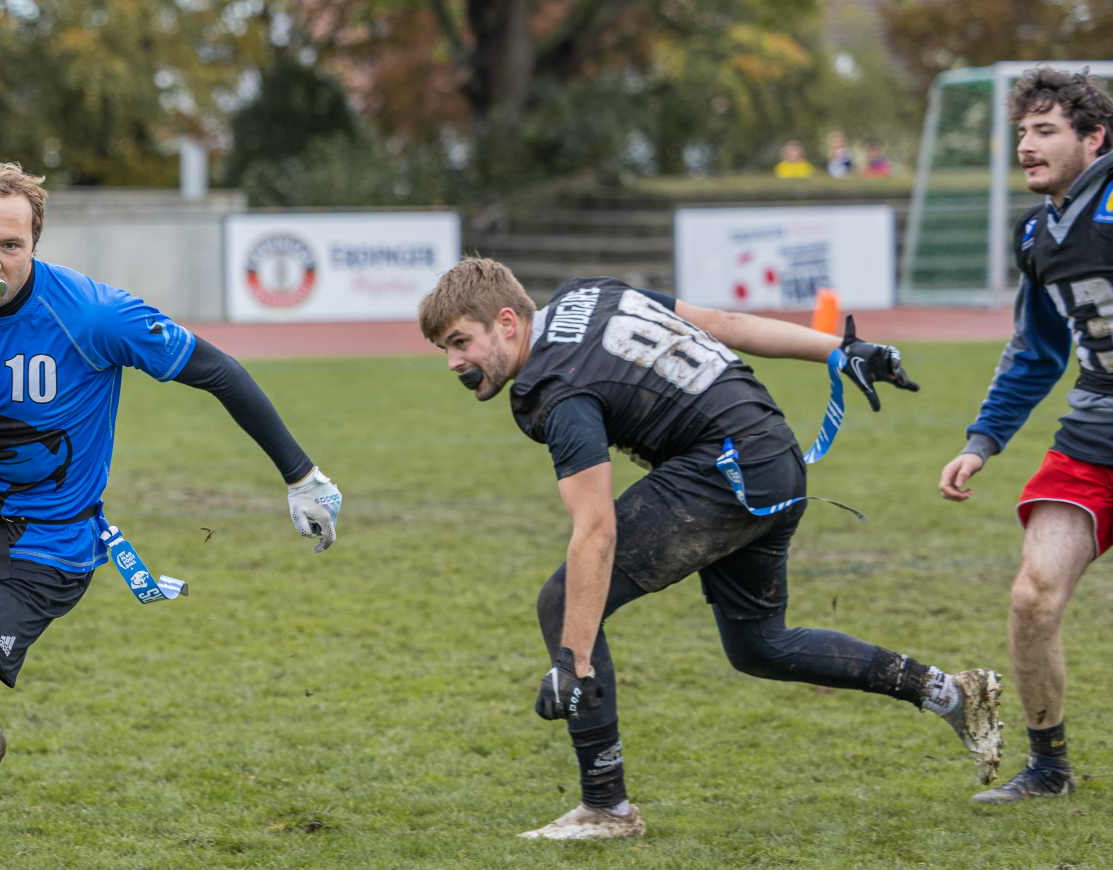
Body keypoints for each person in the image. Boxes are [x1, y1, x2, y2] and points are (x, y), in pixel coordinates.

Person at [0, 162, 343, 869]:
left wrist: (302, 476)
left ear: (35, 244)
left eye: (11, 245)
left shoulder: (91, 315)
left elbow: (217, 369)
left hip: (43, 554)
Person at [421, 260, 1000, 841]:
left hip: (727, 473)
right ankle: (950, 693)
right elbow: (723, 322)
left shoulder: (553, 387)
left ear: (507, 322)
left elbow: (595, 532)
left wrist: (572, 664)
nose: (453, 363)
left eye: (461, 343)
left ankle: (606, 807)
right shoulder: (587, 293)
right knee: (760, 647)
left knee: (564, 602)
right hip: (773, 458)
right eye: (445, 349)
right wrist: (840, 349)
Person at [938, 68, 1113, 804]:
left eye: (1044, 131)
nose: (1026, 146)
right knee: (1031, 598)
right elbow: (1035, 352)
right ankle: (1048, 770)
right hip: (1094, 433)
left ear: (1093, 138)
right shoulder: (1037, 233)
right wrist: (981, 440)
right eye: (1020, 133)